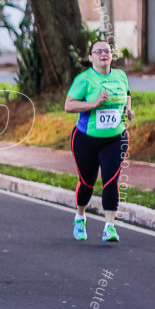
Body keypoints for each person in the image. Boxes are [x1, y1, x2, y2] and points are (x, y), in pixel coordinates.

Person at [64, 40, 133, 243]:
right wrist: (94, 103)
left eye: (107, 51)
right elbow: (68, 105)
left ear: (111, 55)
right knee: (87, 182)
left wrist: (128, 109)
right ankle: (80, 217)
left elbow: (127, 94)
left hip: (116, 138)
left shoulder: (120, 75)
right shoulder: (84, 79)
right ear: (91, 56)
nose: (104, 54)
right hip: (86, 139)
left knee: (111, 181)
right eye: (99, 51)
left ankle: (109, 226)